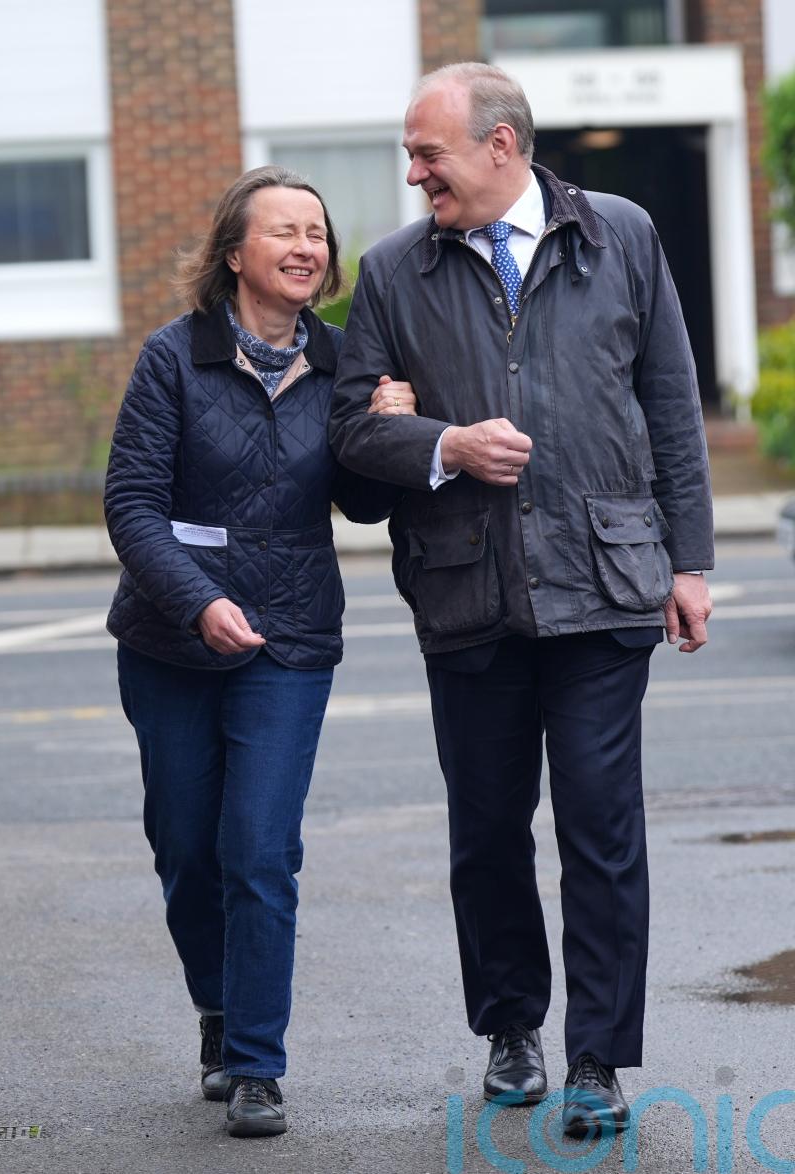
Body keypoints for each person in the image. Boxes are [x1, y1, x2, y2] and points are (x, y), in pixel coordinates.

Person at [330, 63, 714, 1137]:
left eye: (426, 154)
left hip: (604, 585)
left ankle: (596, 1056)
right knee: (487, 827)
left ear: (501, 146)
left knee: (600, 830)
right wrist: (439, 443)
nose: (412, 176)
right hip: (467, 593)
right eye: (410, 156)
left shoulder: (621, 234)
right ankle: (511, 1026)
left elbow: (668, 403)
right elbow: (351, 439)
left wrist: (689, 562)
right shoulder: (392, 270)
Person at [104, 165, 415, 1138]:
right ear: (233, 253)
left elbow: (361, 500)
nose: (305, 246)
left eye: (316, 233)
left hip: (290, 639)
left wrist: (393, 436)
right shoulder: (172, 359)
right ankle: (219, 1004)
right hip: (169, 640)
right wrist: (200, 603)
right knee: (188, 849)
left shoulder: (339, 365)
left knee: (260, 849)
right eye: (282, 229)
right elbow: (131, 505)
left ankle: (256, 1063)